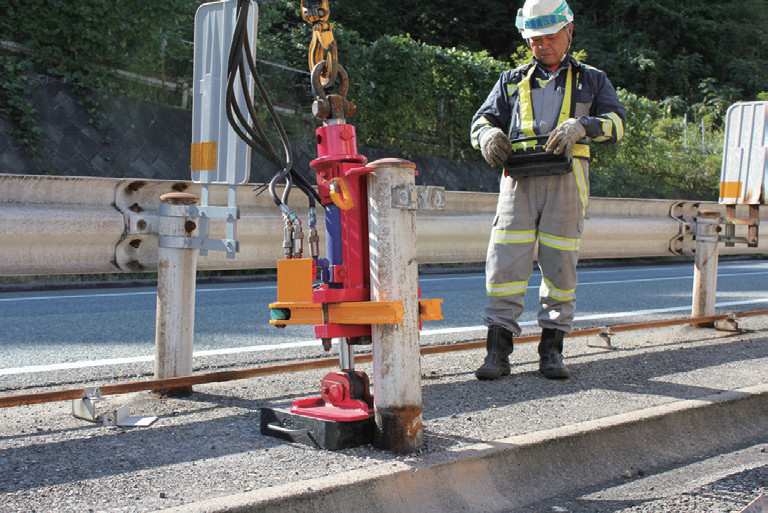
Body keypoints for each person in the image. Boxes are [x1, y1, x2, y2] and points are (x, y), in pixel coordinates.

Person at [470, 0, 626, 380]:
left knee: (560, 266)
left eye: (550, 37)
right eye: (535, 39)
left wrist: (581, 126)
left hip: (566, 182)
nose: (542, 46)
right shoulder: (510, 80)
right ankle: (497, 354)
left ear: (569, 32)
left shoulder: (593, 79)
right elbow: (480, 121)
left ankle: (551, 353)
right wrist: (489, 134)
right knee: (504, 263)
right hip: (518, 181)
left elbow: (617, 124)